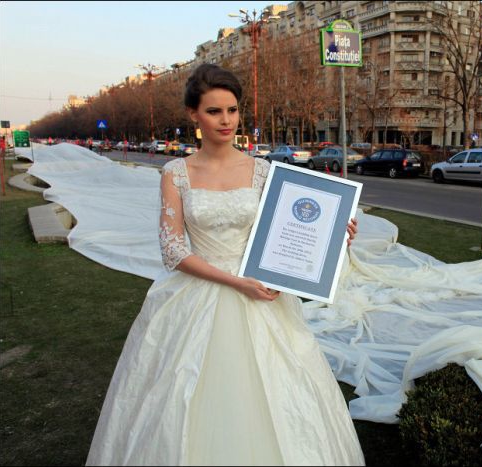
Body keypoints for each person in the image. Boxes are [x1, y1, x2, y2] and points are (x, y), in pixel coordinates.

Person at [86, 64, 364, 466]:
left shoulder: (263, 171)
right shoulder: (176, 173)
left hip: (262, 298)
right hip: (198, 295)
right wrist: (237, 282)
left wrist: (334, 233)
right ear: (193, 115)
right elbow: (173, 251)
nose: (226, 120)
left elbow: (285, 233)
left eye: (232, 110)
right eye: (214, 111)